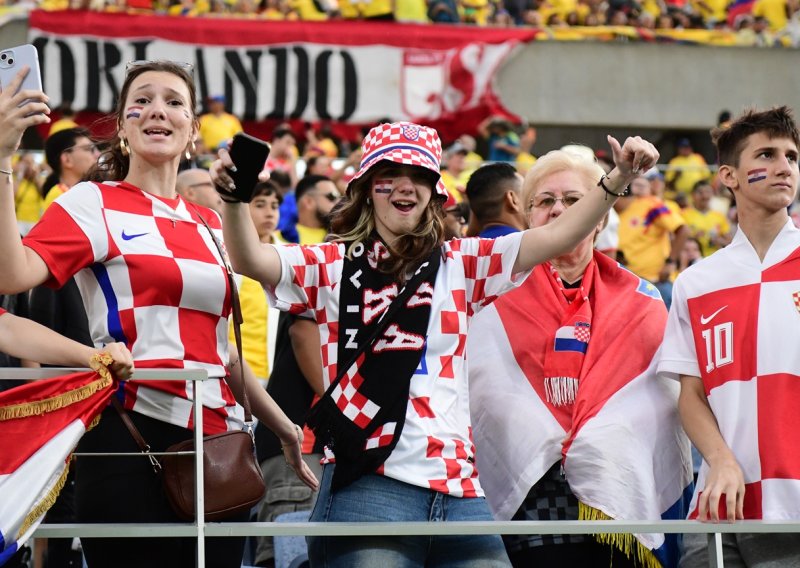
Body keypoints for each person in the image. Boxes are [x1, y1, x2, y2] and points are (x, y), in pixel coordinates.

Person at [212, 120, 658, 567]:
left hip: (460, 490)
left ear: (434, 192)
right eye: (390, 174)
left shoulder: (462, 263)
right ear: (367, 186)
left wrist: (616, 178)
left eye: (419, 176)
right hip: (367, 486)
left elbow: (560, 235)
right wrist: (235, 199)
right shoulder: (330, 263)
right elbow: (250, 257)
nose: (405, 186)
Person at [0, 61, 316, 568]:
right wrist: (2, 156)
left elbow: (222, 350)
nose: (157, 110)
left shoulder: (211, 222)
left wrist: (282, 428)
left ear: (192, 130)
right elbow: (10, 275)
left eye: (174, 102)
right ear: (123, 127)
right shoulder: (92, 202)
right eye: (141, 101)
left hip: (220, 449)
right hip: (131, 435)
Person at [468, 148, 692, 568]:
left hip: (619, 512)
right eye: (546, 201)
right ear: (528, 217)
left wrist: (599, 437)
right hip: (531, 514)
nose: (559, 211)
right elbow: (480, 398)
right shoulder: (490, 300)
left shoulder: (644, 302)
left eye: (574, 201)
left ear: (600, 214)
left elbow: (664, 406)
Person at [658, 106, 800, 567]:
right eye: (767, 154)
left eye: (792, 157)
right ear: (729, 176)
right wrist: (720, 460)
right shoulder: (696, 283)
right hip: (718, 509)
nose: (784, 167)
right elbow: (691, 394)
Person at [616, 173, 689, 309]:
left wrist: (670, 262)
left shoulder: (651, 204)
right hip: (628, 283)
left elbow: (683, 230)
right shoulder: (612, 212)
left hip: (655, 282)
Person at [41, 127, 100, 211]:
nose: (98, 154)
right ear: (67, 159)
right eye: (89, 149)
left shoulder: (80, 193)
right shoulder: (59, 197)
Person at [464, 162, 527, 238]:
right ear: (512, 199)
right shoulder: (536, 246)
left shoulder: (460, 247)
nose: (532, 201)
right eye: (526, 193)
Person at [681, 179, 732, 256]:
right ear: (693, 195)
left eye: (708, 192)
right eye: (700, 192)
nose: (704, 196)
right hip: (691, 260)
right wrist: (693, 238)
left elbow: (730, 242)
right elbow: (675, 240)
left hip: (714, 258)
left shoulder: (719, 216)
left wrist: (719, 241)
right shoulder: (683, 214)